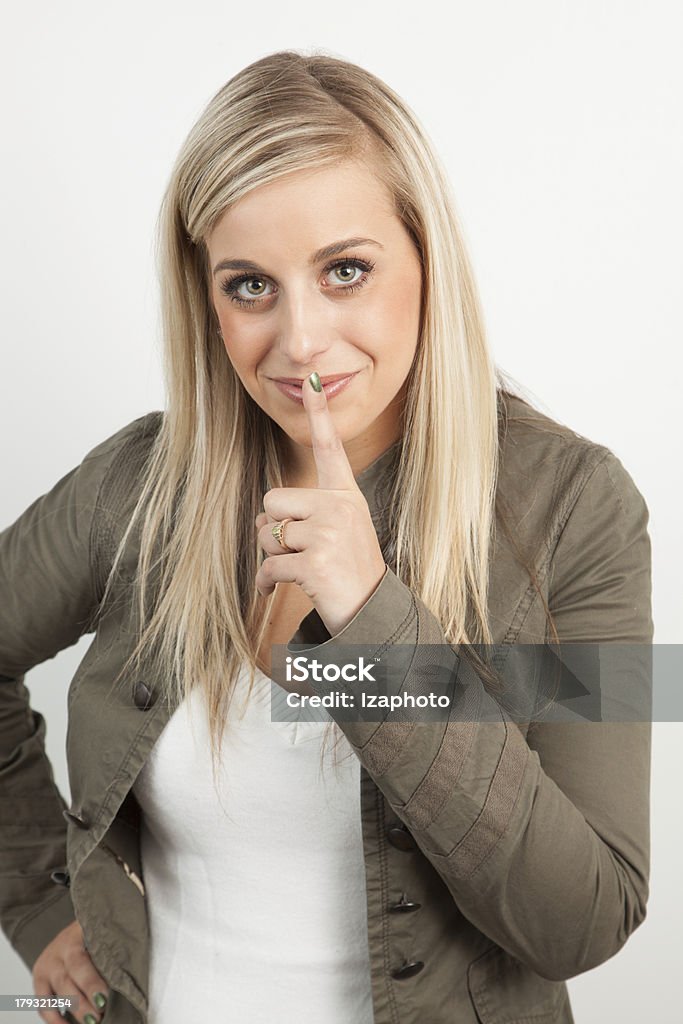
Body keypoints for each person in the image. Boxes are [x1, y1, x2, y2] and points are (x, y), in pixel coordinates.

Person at [0, 49, 653, 1024]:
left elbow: (588, 914)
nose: (300, 340)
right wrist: (38, 900)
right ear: (205, 299)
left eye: (344, 270)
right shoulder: (138, 483)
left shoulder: (581, 508)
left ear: (424, 256)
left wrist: (373, 624)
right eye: (249, 285)